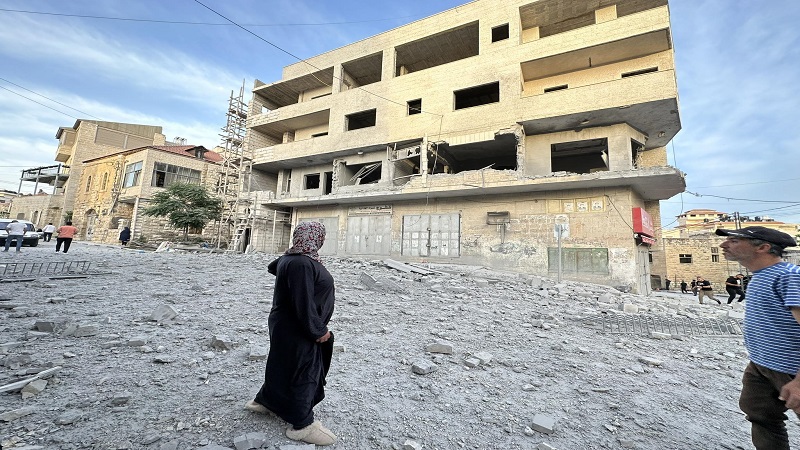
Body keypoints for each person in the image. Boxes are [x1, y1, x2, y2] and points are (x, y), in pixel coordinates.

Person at [244, 221, 337, 446]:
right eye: (321, 236)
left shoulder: (293, 259)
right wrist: (317, 330)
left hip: (287, 325)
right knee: (305, 370)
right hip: (298, 328)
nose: (322, 240)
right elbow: (302, 301)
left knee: (282, 364)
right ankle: (302, 425)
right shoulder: (301, 263)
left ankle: (266, 401)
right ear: (316, 238)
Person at [716, 226, 800, 449]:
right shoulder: (760, 276)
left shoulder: (788, 277)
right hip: (762, 365)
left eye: (734, 241)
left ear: (763, 247)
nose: (724, 245)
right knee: (759, 414)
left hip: (792, 369)